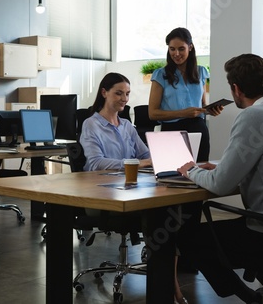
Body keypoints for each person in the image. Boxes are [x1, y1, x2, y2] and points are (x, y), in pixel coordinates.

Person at [176, 54, 263, 304]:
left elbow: (220, 185)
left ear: (236, 89)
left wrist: (191, 170)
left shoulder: (252, 116)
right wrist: (218, 170)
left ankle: (248, 298)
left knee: (188, 237)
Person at [80, 72, 188, 304]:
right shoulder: (91, 124)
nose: (124, 99)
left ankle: (168, 279)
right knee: (162, 213)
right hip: (105, 194)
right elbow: (95, 163)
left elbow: (146, 155)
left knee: (172, 209)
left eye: (127, 94)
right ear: (104, 92)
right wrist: (138, 163)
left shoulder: (127, 126)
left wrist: (165, 156)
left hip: (132, 189)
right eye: (118, 93)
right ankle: (171, 285)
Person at [148, 27, 222, 162]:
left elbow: (202, 105)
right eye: (172, 49)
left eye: (181, 49)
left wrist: (210, 110)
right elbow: (152, 113)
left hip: (199, 130)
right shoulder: (160, 75)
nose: (176, 53)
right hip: (172, 132)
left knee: (201, 170)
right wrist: (183, 113)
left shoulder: (201, 72)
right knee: (173, 173)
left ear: (190, 47)